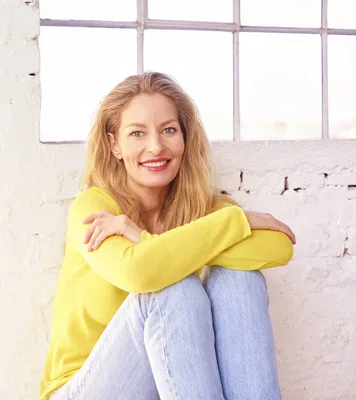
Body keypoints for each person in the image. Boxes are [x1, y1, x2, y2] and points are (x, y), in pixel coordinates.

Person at [38, 71, 296, 400]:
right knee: (171, 289)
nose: (156, 146)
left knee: (239, 280)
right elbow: (140, 272)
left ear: (185, 138)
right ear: (114, 144)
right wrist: (236, 222)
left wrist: (146, 240)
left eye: (169, 130)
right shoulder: (96, 208)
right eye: (137, 134)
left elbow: (278, 248)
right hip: (82, 390)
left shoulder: (206, 211)